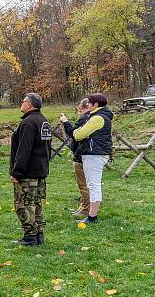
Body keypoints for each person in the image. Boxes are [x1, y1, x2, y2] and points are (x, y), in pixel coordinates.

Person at [62, 93, 113, 225]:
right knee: (92, 185)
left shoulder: (97, 118)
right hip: (95, 153)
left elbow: (78, 135)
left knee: (93, 185)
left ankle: (92, 216)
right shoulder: (99, 116)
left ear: (96, 104)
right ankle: (91, 214)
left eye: (89, 102)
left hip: (93, 154)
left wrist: (75, 131)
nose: (87, 105)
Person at [9, 92, 52, 245]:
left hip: (28, 173)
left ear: (30, 104)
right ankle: (39, 235)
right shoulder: (43, 120)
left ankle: (30, 237)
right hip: (40, 170)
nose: (21, 102)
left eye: (24, 101)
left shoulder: (28, 122)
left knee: (24, 205)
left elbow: (24, 149)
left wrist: (17, 172)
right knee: (36, 203)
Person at [60, 99, 91, 216]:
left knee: (83, 184)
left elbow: (73, 134)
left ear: (84, 108)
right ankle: (83, 206)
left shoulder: (85, 118)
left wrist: (65, 122)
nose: (79, 110)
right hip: (87, 154)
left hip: (81, 155)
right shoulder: (92, 118)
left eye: (80, 108)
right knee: (87, 184)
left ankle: (85, 209)